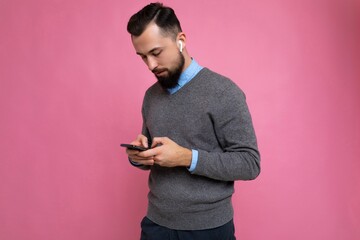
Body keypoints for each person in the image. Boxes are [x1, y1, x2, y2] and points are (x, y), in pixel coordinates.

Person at [125, 2, 260, 240]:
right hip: (155, 225)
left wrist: (186, 157)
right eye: (142, 56)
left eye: (156, 53)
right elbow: (156, 156)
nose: (151, 65)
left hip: (209, 229)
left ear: (181, 40)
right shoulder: (151, 96)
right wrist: (140, 157)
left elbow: (249, 163)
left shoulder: (224, 92)